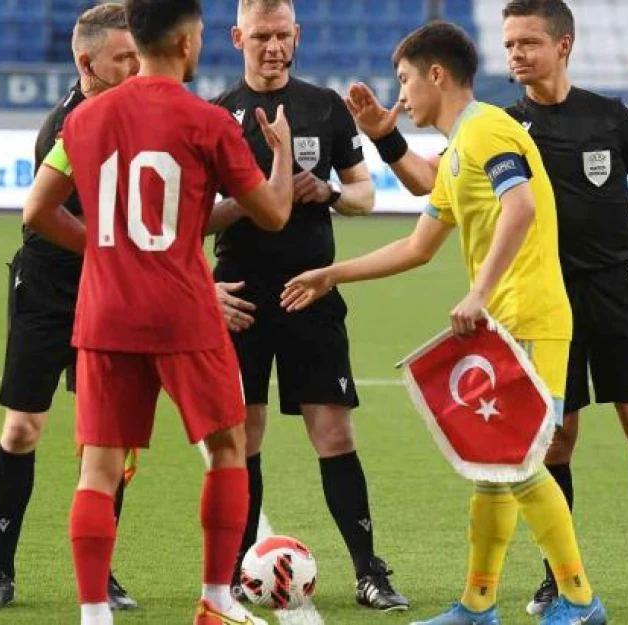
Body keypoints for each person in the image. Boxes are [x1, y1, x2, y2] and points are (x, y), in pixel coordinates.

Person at [345, 0, 628, 617]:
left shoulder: (608, 117)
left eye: (529, 43)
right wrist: (384, 137)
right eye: (509, 44)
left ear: (563, 45)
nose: (515, 54)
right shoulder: (498, 123)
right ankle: (555, 581)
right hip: (543, 298)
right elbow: (431, 186)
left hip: (613, 291)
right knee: (551, 442)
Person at [282, 21, 607, 625]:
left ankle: (582, 600)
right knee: (493, 471)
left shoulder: (487, 130)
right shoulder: (461, 148)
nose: (400, 95)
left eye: (405, 79)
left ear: (436, 75)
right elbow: (416, 246)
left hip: (529, 320)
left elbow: (523, 205)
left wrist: (480, 292)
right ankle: (479, 606)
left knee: (520, 464)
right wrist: (332, 274)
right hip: (503, 326)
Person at [21, 0, 294, 622]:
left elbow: (36, 210)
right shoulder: (209, 122)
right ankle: (216, 602)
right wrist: (279, 153)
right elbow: (274, 213)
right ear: (188, 43)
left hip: (106, 311)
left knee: (100, 464)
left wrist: (102, 247)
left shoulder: (84, 121)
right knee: (229, 447)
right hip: (182, 311)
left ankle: (94, 614)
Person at [207, 0, 408, 612]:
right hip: (239, 297)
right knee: (244, 435)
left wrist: (330, 193)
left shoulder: (323, 107)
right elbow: (196, 218)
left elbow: (367, 195)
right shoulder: (216, 116)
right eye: (262, 35)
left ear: (298, 36)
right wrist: (257, 199)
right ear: (239, 35)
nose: (273, 47)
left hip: (313, 290)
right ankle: (240, 573)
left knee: (335, 432)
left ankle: (370, 571)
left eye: (283, 35)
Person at [0, 3, 141, 611]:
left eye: (138, 54)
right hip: (50, 288)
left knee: (108, 442)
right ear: (87, 62)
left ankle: (104, 572)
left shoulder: (139, 115)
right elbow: (46, 213)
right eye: (124, 57)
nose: (135, 65)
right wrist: (105, 246)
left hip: (111, 292)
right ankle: (0, 572)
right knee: (22, 428)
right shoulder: (65, 128)